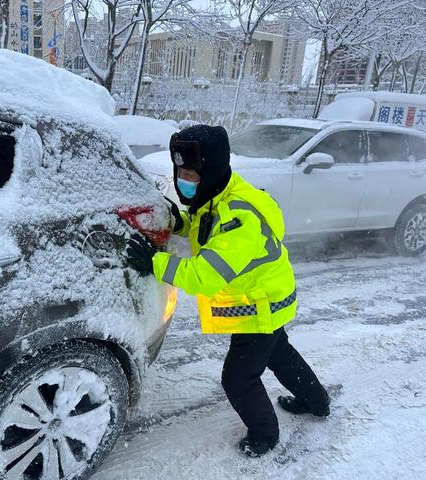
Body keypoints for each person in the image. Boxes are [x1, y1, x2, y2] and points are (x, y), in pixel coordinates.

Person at [126, 125, 330, 457]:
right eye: (180, 172)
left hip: (260, 305)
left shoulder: (238, 217)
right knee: (280, 354)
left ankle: (265, 434)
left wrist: (155, 262)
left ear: (211, 171)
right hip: (266, 296)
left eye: (190, 173)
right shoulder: (217, 196)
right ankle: (317, 402)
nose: (183, 179)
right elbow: (202, 227)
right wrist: (178, 222)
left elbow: (204, 276)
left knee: (238, 379)